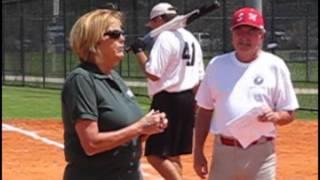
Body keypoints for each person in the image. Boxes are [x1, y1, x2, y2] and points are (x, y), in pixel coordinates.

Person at [193, 7, 299, 180]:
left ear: (262, 35)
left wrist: (276, 116)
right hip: (224, 152)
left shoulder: (275, 66)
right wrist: (198, 152)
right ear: (232, 34)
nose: (244, 37)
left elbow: (289, 113)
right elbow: (204, 110)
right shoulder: (217, 65)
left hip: (261, 155)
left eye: (252, 32)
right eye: (239, 31)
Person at [61, 8, 168, 180]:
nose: (122, 38)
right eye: (115, 34)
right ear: (94, 40)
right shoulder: (82, 80)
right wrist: (140, 126)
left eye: (122, 33)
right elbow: (91, 143)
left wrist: (148, 129)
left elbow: (127, 135)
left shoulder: (114, 77)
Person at [130, 2, 205, 180]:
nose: (152, 27)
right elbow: (200, 76)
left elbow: (153, 73)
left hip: (168, 100)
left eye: (153, 23)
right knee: (173, 154)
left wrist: (138, 51)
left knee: (155, 154)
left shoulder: (165, 37)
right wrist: (195, 103)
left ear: (160, 19)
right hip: (188, 99)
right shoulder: (190, 38)